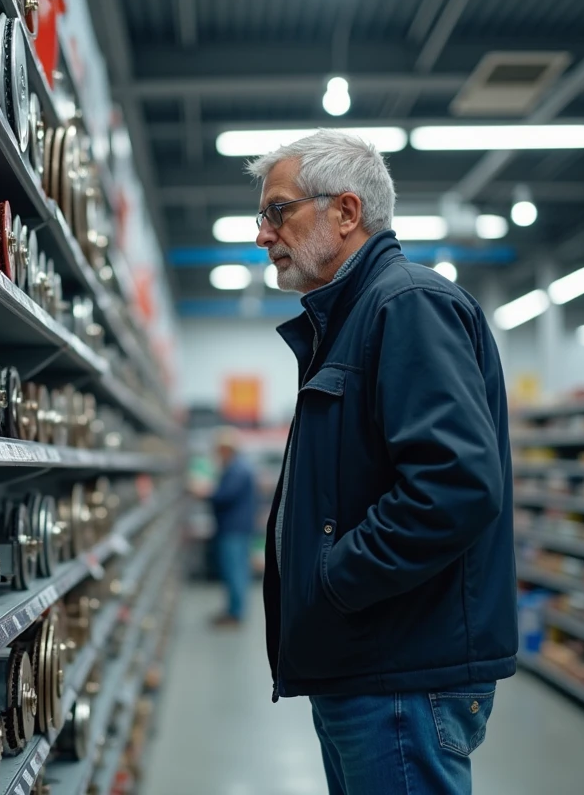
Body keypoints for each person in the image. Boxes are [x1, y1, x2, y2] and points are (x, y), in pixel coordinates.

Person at [247, 129, 515, 795]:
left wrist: (336, 580)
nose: (263, 233)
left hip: (400, 671)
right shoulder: (353, 319)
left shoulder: (406, 305)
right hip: (366, 664)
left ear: (345, 212)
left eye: (278, 210)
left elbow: (455, 485)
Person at [192, 428, 258, 626]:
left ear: (226, 449)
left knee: (235, 571)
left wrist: (204, 493)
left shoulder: (237, 469)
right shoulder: (236, 467)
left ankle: (235, 614)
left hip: (234, 529)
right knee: (235, 570)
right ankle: (232, 610)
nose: (216, 454)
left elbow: (224, 497)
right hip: (235, 528)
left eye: (218, 450)